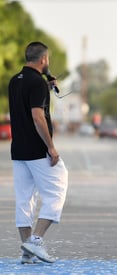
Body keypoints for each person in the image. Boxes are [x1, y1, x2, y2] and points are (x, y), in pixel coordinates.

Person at [8, 41, 69, 264]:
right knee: (58, 188)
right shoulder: (37, 84)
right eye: (48, 59)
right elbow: (37, 116)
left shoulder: (15, 81)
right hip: (37, 150)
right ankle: (36, 240)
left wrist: (47, 87)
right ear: (43, 60)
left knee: (25, 200)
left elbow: (26, 106)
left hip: (19, 150)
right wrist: (51, 147)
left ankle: (26, 251)